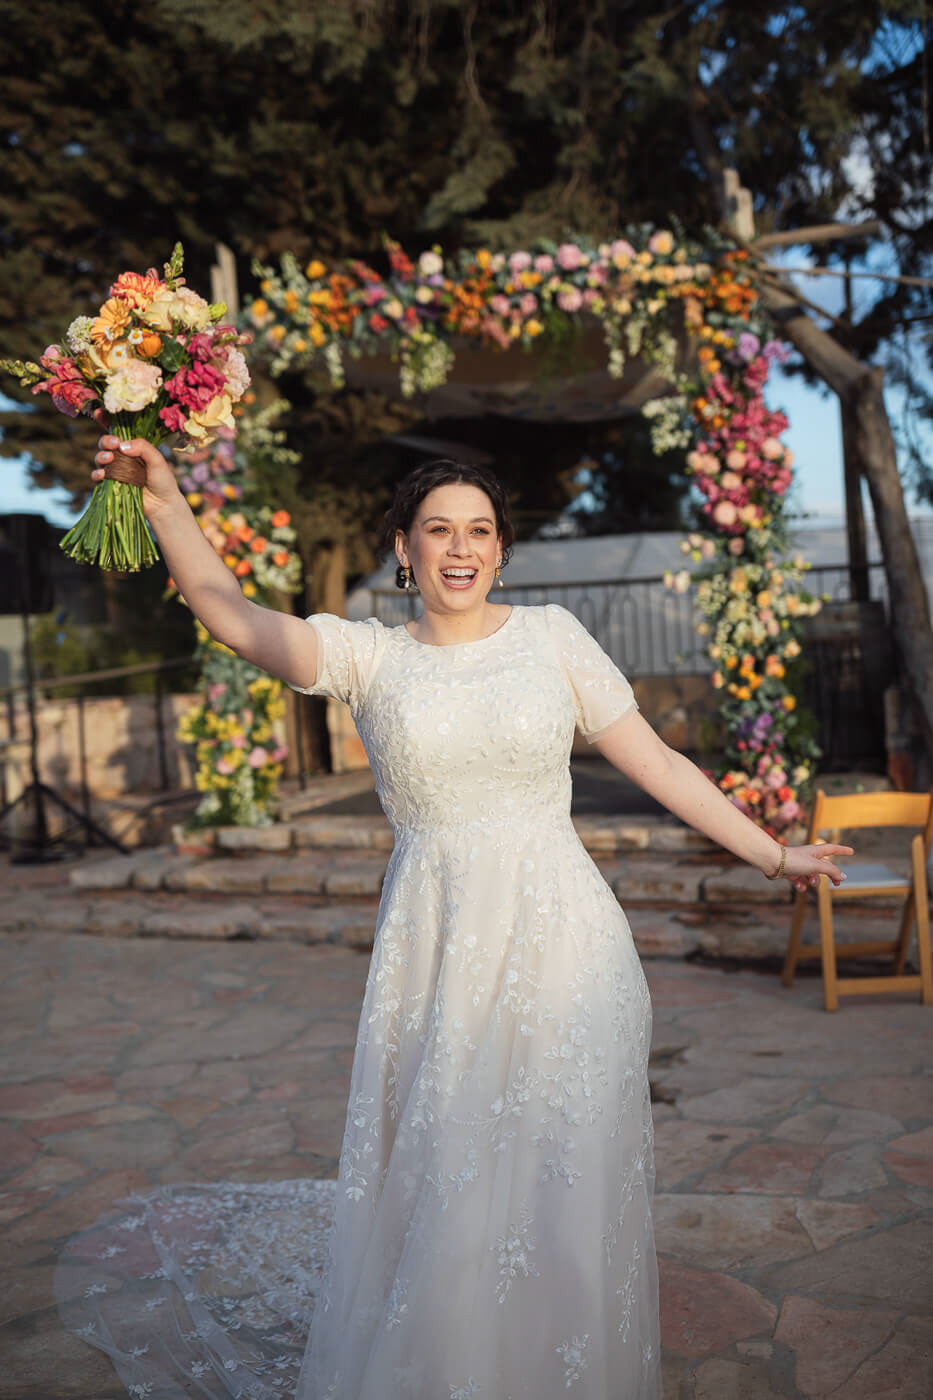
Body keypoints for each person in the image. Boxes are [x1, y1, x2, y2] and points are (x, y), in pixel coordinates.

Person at [58, 426, 851, 1400]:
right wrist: (165, 499)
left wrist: (773, 853)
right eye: (438, 528)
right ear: (404, 546)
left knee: (561, 1174)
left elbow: (660, 763)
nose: (460, 547)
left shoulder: (554, 636)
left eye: (479, 529)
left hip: (567, 944)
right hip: (435, 953)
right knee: (452, 1177)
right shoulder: (367, 657)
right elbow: (230, 615)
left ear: (501, 548)